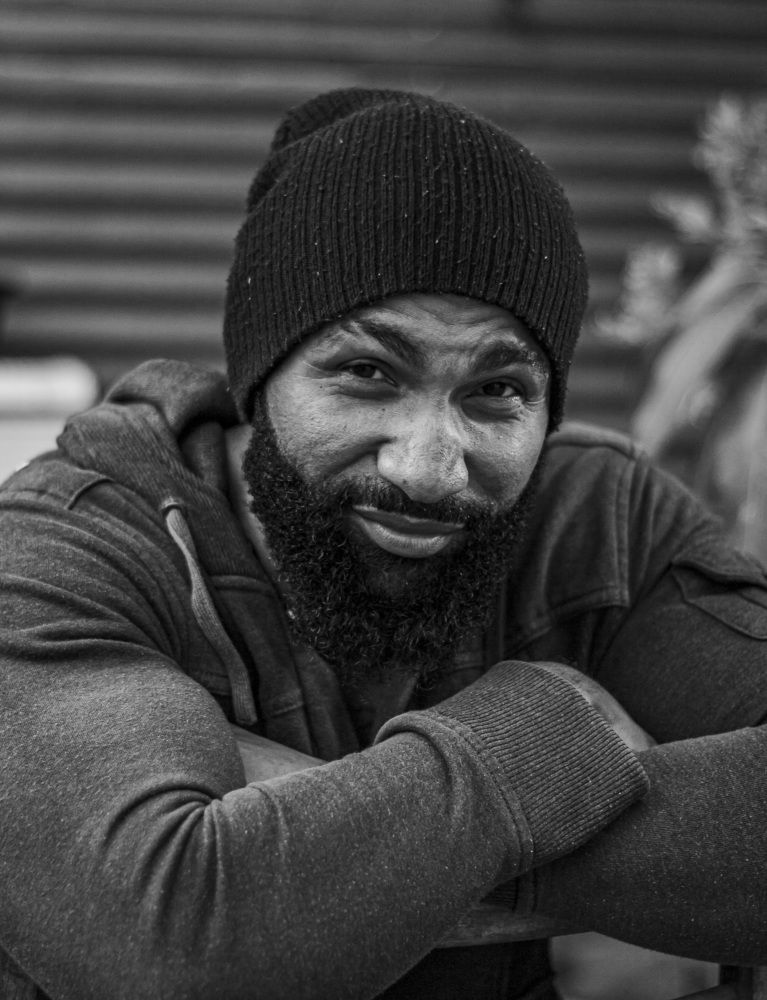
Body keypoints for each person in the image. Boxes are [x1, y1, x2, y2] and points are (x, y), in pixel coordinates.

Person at [0, 87, 765, 1000]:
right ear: (259, 377)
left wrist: (335, 833)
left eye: (496, 391)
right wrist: (545, 732)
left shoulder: (596, 517)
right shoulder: (71, 548)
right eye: (367, 372)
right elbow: (163, 940)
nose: (429, 469)